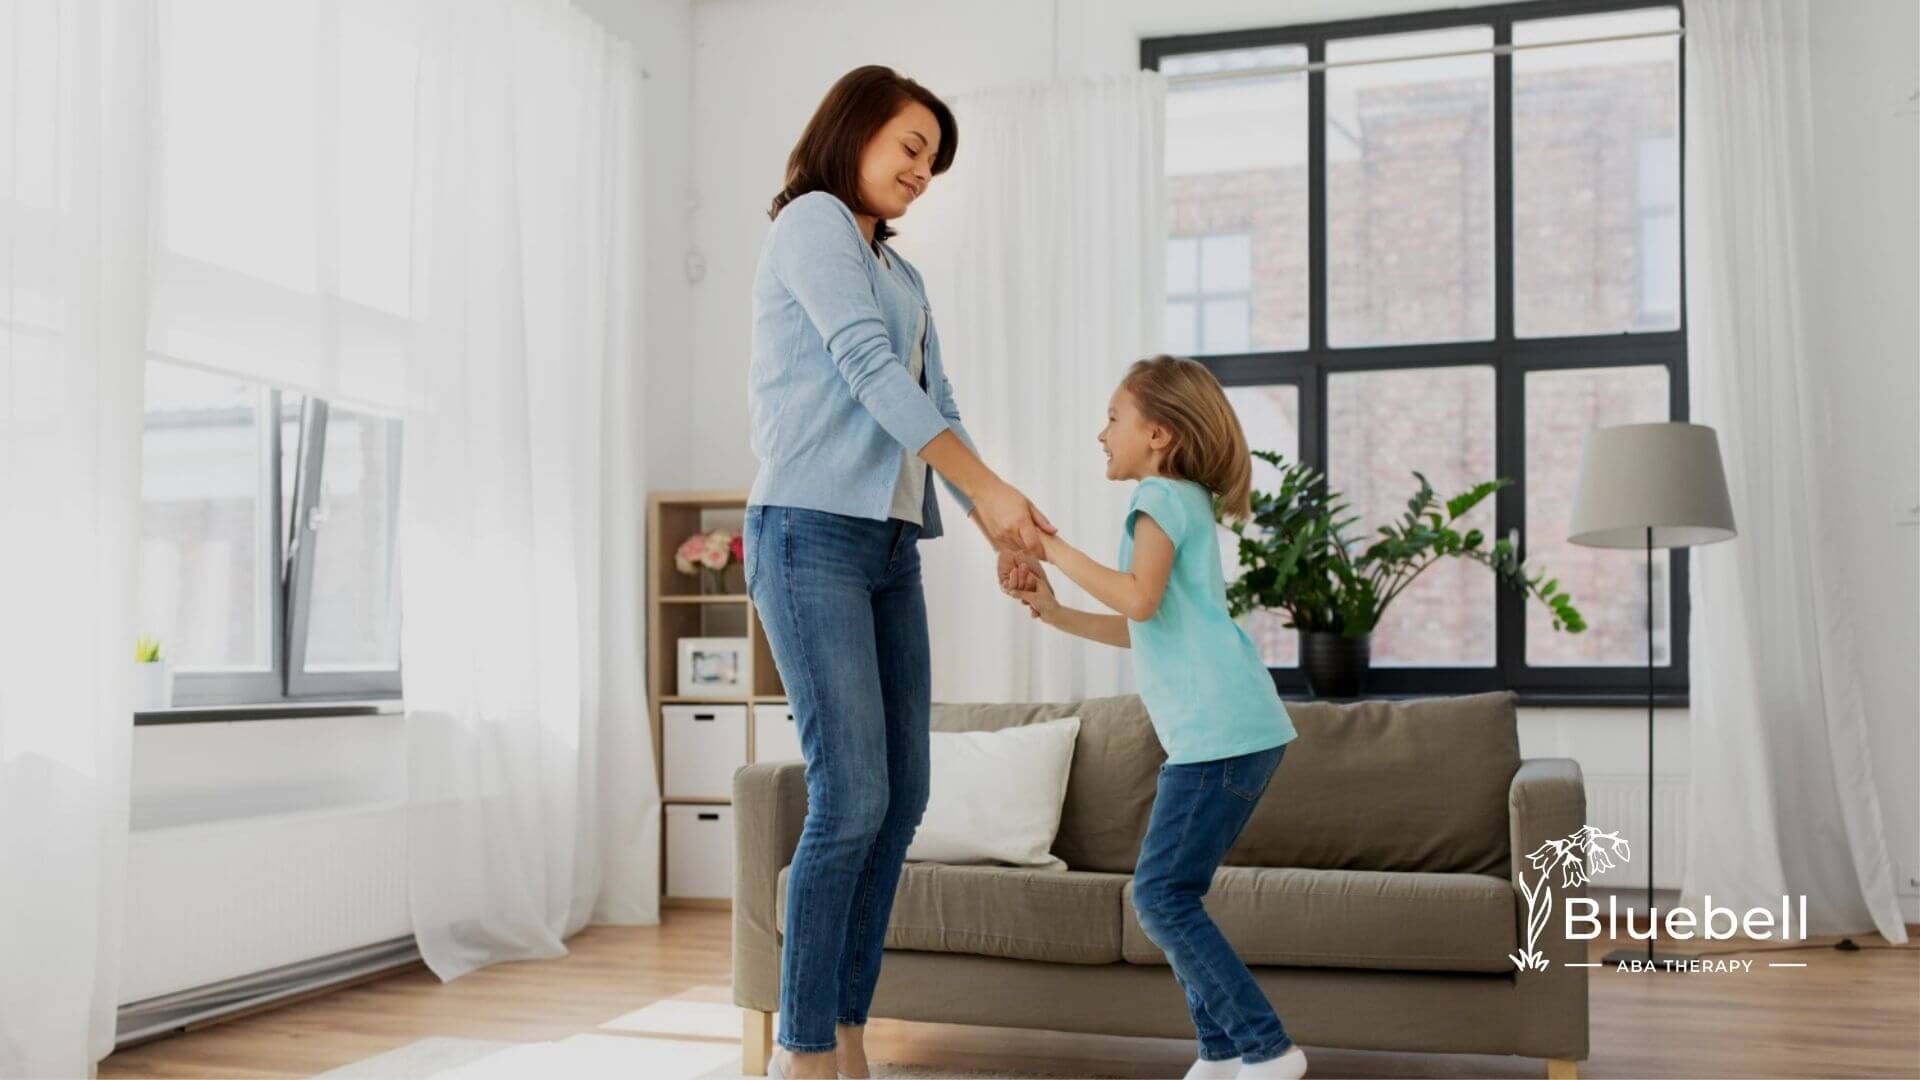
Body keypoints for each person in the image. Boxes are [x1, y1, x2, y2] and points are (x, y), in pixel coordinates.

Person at [744, 65, 1053, 1080]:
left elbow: (941, 408)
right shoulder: (812, 222)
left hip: (885, 545)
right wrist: (992, 498)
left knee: (905, 792)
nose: (923, 172)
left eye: (933, 160)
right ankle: (802, 1050)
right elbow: (867, 371)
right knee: (850, 795)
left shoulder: (906, 277)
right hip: (807, 534)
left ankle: (846, 1031)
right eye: (911, 146)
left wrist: (995, 515)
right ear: (855, 129)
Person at [1001, 354, 1308, 1080]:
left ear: (1160, 434)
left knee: (1159, 895)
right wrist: (1054, 611)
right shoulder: (1184, 498)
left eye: (1114, 417)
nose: (1101, 432)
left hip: (1219, 735)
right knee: (1173, 894)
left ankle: (1266, 1049)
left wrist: (1049, 546)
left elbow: (1137, 601)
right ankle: (1222, 1053)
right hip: (1233, 730)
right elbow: (1151, 620)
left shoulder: (1159, 499)